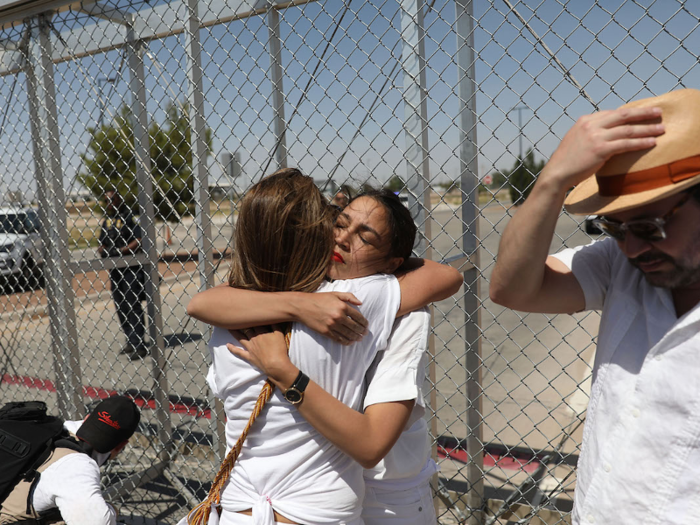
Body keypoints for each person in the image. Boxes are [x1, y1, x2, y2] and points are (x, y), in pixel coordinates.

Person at [185, 171, 461, 525]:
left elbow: (200, 303)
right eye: (338, 223)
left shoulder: (237, 310)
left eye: (365, 236)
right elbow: (448, 276)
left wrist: (292, 312)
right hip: (317, 509)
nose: (343, 238)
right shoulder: (351, 303)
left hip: (238, 506)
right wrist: (302, 305)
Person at [489, 88, 700, 523]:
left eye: (648, 226)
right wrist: (552, 180)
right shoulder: (619, 266)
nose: (632, 249)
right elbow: (512, 288)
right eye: (614, 228)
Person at [0, 396, 141, 524]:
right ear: (122, 445)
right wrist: (112, 510)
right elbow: (97, 522)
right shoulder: (77, 466)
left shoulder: (45, 428)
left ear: (86, 418)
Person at [98, 190, 148, 360]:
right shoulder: (108, 220)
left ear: (119, 199)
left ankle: (139, 344)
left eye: (111, 199)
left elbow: (139, 239)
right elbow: (102, 243)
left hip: (130, 267)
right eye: (106, 200)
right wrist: (104, 251)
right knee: (120, 305)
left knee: (132, 303)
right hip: (114, 269)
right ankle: (130, 339)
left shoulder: (131, 216)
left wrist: (121, 251)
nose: (109, 203)